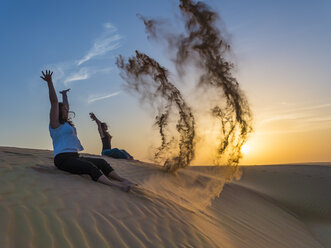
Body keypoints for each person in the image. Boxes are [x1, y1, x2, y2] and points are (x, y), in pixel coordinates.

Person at [41, 70, 134, 191]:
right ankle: (116, 186)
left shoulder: (67, 124)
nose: (66, 111)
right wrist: (49, 82)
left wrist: (64, 95)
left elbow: (66, 106)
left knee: (101, 162)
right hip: (62, 159)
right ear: (58, 112)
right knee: (89, 167)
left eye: (66, 109)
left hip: (75, 156)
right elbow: (54, 102)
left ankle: (122, 179)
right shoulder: (55, 125)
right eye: (63, 110)